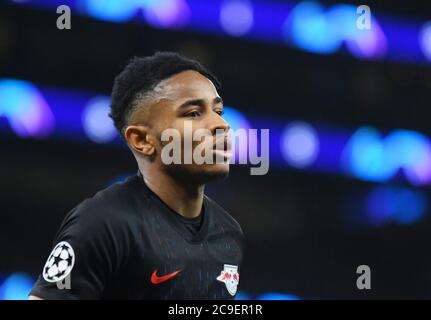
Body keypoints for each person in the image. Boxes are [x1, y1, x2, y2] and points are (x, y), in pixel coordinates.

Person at [28, 52, 244, 300]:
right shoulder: (103, 224)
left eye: (219, 110)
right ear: (141, 140)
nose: (221, 125)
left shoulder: (228, 232)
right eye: (193, 113)